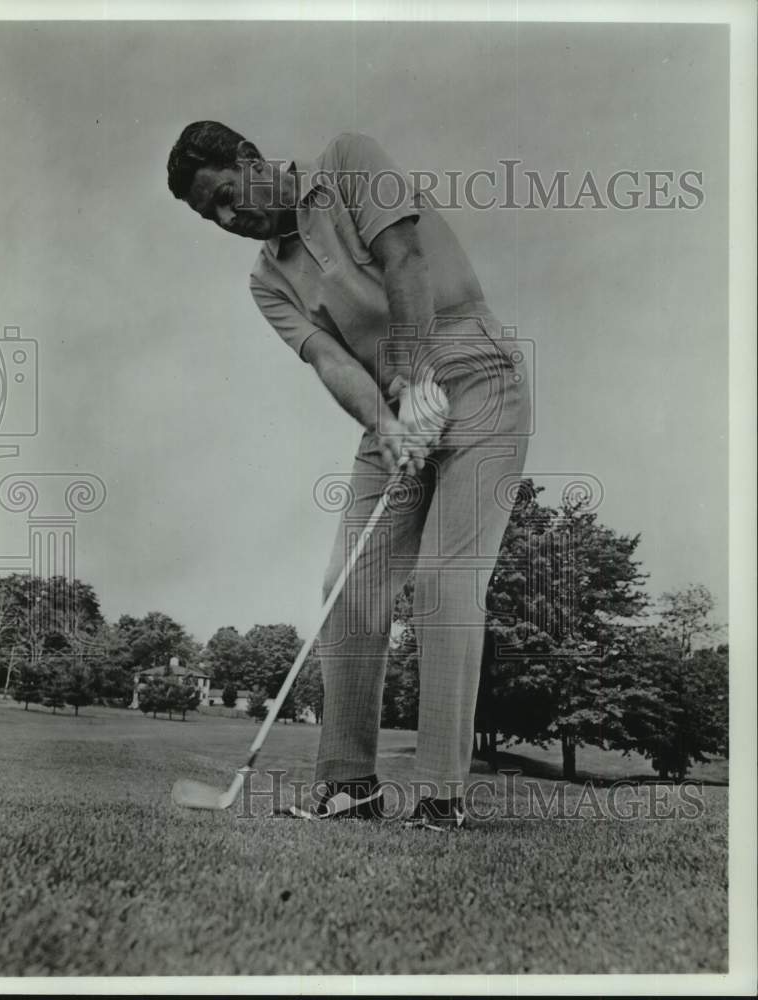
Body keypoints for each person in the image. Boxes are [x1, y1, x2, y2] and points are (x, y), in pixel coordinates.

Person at [167, 123, 530, 830]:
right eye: (210, 215)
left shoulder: (348, 161)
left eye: (224, 195)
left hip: (479, 376)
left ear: (250, 159)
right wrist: (390, 423)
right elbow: (330, 361)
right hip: (389, 402)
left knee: (446, 582)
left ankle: (439, 794)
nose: (227, 218)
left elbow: (405, 258)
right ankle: (349, 786)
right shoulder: (266, 279)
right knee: (348, 585)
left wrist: (419, 371)